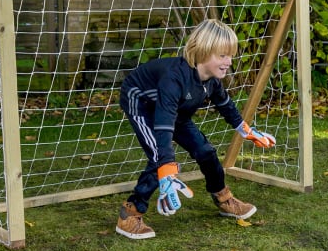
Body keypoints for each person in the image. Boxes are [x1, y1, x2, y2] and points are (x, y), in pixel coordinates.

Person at [116, 18, 276, 239]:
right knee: (159, 159)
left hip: (171, 108)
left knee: (205, 151)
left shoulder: (211, 80)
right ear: (202, 52)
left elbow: (225, 105)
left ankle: (223, 198)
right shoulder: (174, 79)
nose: (229, 61)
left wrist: (246, 130)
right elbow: (163, 126)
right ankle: (130, 212)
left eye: (230, 55)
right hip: (141, 103)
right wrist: (166, 168)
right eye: (222, 55)